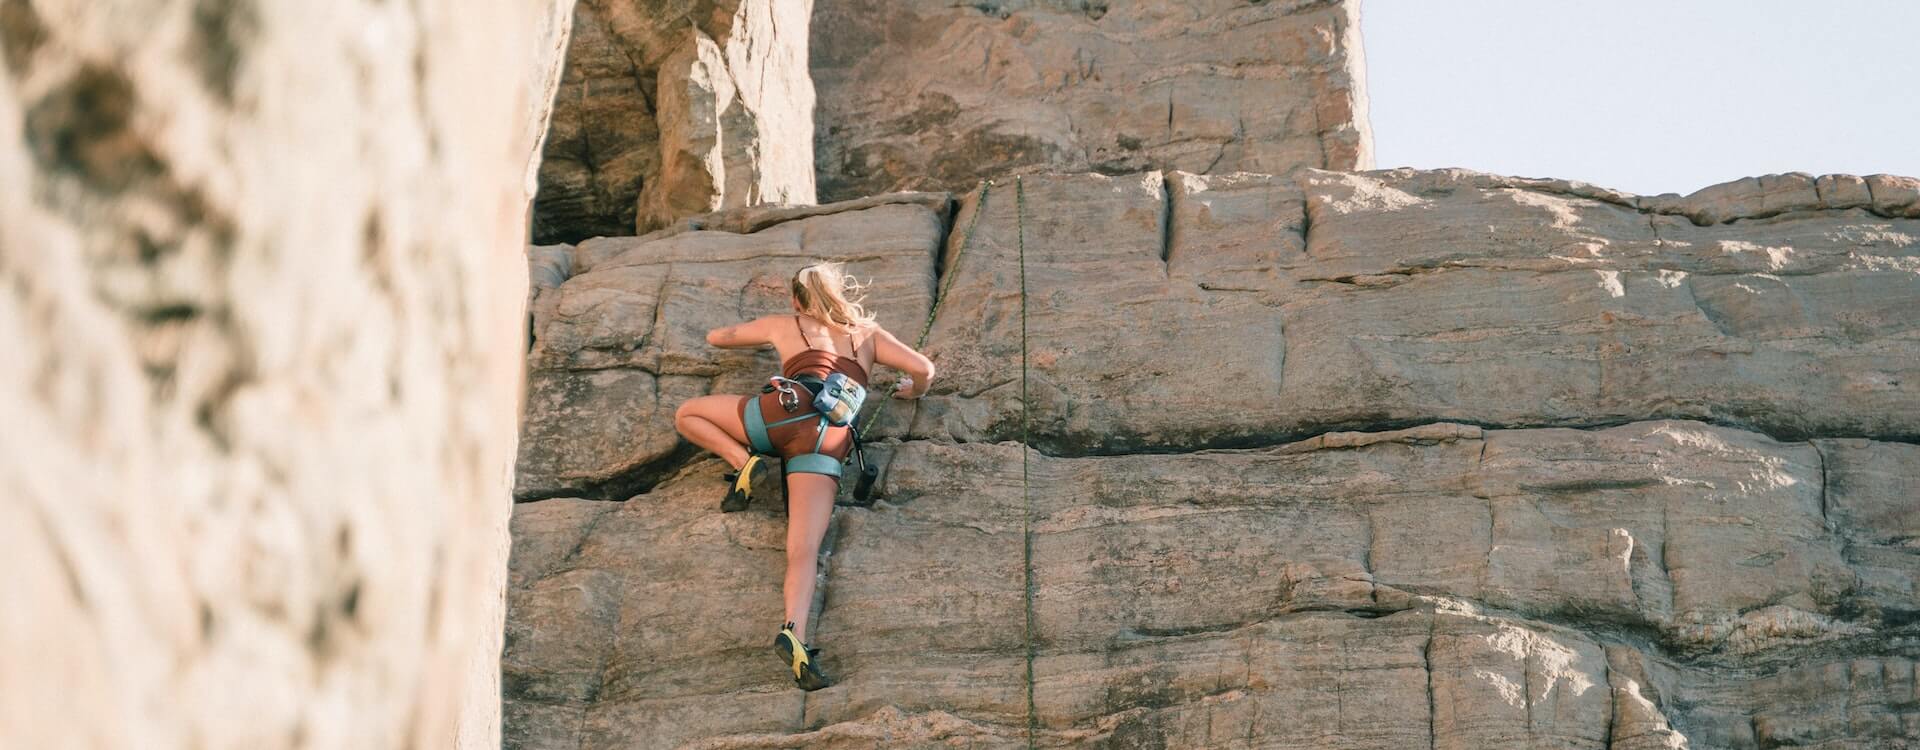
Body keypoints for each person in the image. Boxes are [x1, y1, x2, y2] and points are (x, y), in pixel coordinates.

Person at [671, 262, 936, 691]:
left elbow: (717, 338)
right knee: (803, 550)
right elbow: (923, 367)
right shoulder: (868, 335)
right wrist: (913, 390)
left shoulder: (784, 322)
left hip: (781, 413)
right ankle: (794, 631)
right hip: (826, 440)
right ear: (838, 295)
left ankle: (742, 461)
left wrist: (767, 335)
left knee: (689, 414)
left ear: (796, 299)